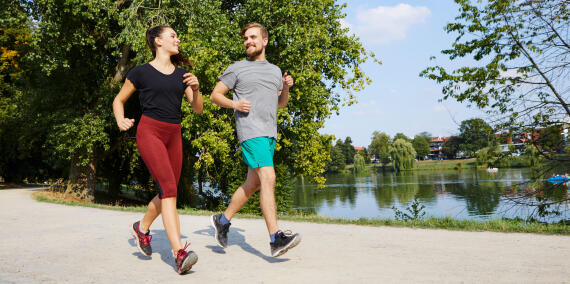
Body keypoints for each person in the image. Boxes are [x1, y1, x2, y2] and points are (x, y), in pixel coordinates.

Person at [187, 22, 300, 257]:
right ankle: (275, 238)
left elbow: (281, 103)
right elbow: (215, 96)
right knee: (268, 177)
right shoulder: (237, 69)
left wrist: (287, 88)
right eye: (246, 38)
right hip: (250, 131)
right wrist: (235, 104)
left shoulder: (275, 71)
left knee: (254, 184)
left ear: (265, 41)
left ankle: (223, 220)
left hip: (269, 134)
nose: (248, 41)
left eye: (253, 37)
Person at [112, 25, 203, 274]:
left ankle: (142, 227)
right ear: (157, 41)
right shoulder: (140, 72)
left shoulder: (182, 75)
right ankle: (179, 253)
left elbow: (198, 109)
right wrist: (120, 119)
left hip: (174, 134)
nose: (178, 39)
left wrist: (195, 90)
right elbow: (118, 100)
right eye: (173, 35)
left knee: (166, 191)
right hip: (150, 131)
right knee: (170, 190)